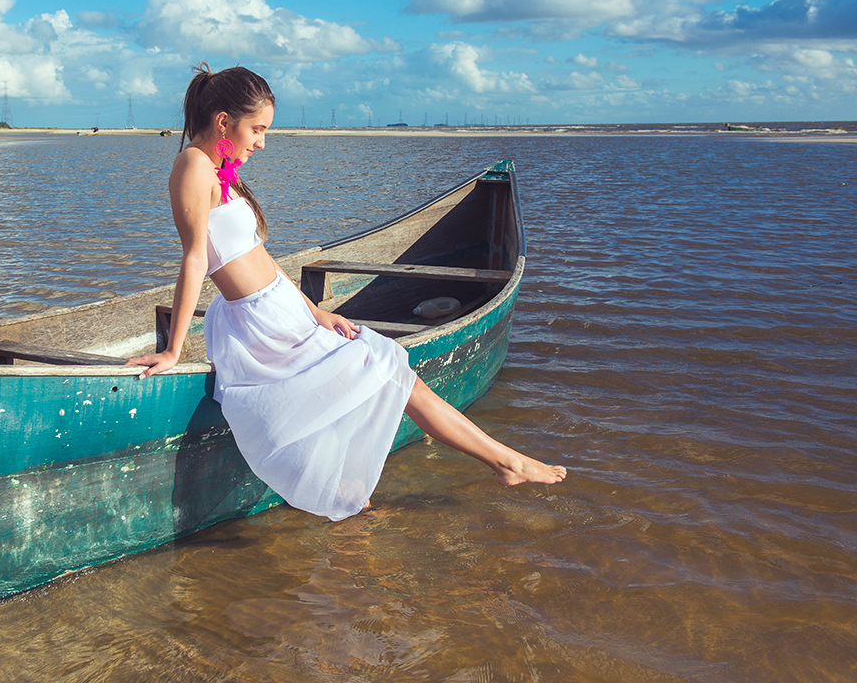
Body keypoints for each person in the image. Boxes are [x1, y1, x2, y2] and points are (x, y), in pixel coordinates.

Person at [127, 64, 566, 520]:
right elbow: (195, 259)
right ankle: (504, 462)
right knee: (390, 374)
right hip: (262, 323)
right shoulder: (193, 165)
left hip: (284, 309)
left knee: (369, 388)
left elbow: (261, 258)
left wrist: (317, 312)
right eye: (257, 128)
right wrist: (174, 350)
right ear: (223, 121)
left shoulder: (221, 170)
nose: (261, 142)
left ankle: (363, 509)